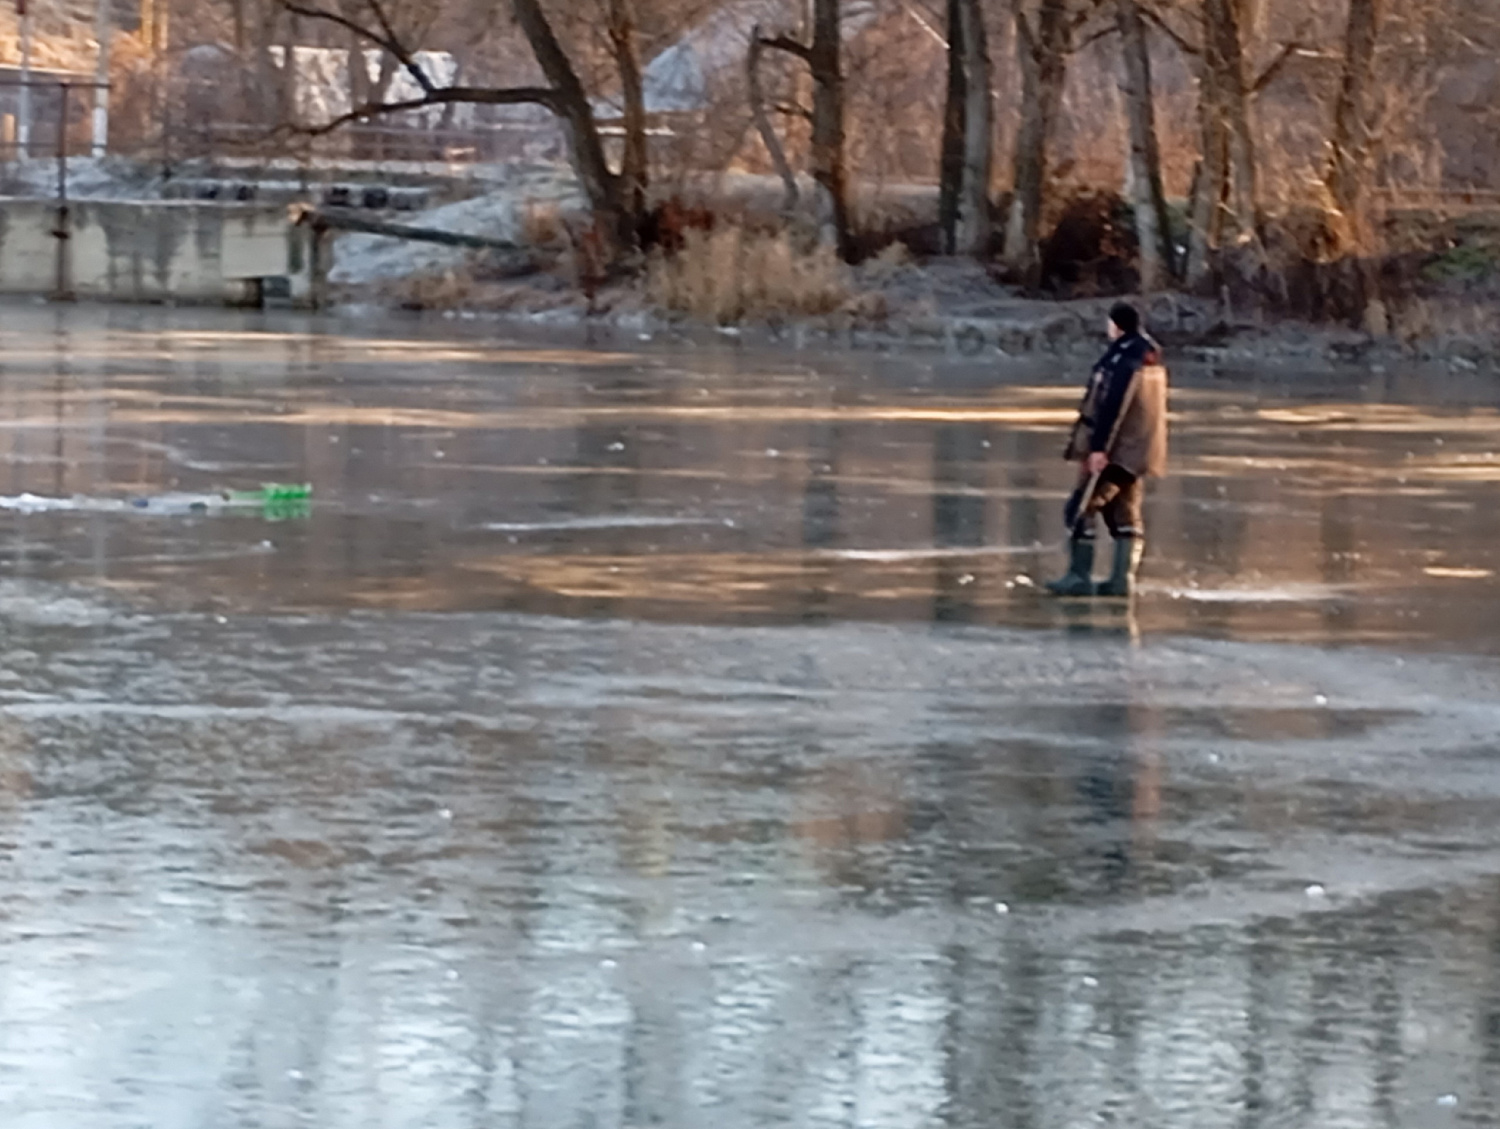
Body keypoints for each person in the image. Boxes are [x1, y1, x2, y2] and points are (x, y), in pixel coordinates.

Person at [1045, 302, 1169, 598]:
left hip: (1119, 450)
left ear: (1117, 325)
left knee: (1081, 507)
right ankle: (1120, 581)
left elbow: (1114, 404)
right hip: (1140, 449)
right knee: (1123, 511)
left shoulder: (1124, 359)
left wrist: (1099, 448)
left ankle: (1079, 576)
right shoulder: (1149, 354)